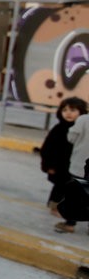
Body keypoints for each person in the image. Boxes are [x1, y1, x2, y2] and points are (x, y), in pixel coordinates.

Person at [39, 97, 88, 233]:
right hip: (59, 166)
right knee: (60, 187)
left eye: (72, 110)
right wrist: (49, 165)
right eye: (65, 110)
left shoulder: (81, 126)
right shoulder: (59, 128)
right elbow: (47, 149)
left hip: (74, 167)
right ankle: (55, 206)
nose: (68, 113)